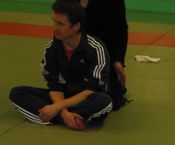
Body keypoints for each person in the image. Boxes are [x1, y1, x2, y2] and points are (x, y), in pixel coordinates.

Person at [8, 0, 112, 130]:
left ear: (76, 26)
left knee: (104, 101)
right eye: (54, 22)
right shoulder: (51, 49)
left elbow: (92, 89)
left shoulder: (95, 48)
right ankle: (69, 119)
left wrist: (56, 107)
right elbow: (54, 86)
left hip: (85, 97)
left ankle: (50, 116)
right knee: (17, 93)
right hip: (62, 96)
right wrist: (64, 113)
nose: (55, 28)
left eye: (60, 24)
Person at [80, 0, 129, 110]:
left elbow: (121, 28)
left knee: (112, 102)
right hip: (76, 50)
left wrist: (118, 60)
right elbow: (62, 27)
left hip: (105, 52)